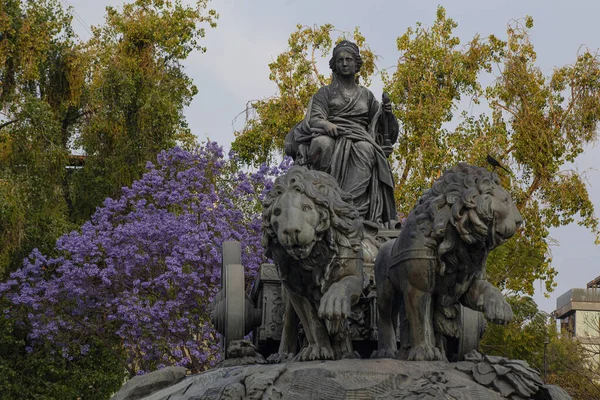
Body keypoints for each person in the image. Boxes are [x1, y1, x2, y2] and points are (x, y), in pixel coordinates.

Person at [285, 40, 399, 225]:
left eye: (348, 60)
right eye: (340, 60)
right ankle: (323, 198)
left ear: (356, 64)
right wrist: (326, 125)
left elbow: (381, 126)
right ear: (334, 65)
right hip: (332, 134)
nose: (345, 63)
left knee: (366, 149)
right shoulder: (325, 93)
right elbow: (314, 118)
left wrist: (387, 113)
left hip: (359, 136)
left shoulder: (366, 95)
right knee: (322, 144)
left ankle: (348, 206)